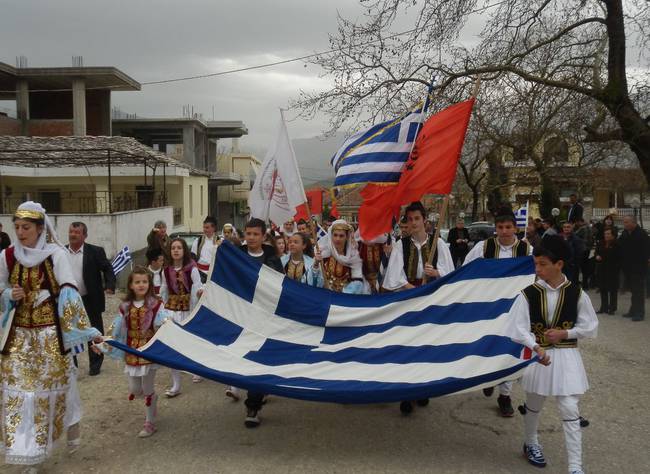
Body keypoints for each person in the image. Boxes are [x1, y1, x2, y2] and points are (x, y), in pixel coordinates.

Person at [0, 201, 102, 467]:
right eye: (17, 227)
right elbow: (0, 288)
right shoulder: (7, 256)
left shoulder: (55, 254)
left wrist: (84, 331)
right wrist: (9, 294)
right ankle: (26, 450)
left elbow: (69, 291)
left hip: (48, 336)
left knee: (53, 389)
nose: (20, 232)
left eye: (26, 227)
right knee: (20, 393)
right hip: (19, 336)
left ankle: (56, 435)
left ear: (40, 228)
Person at [505, 235, 598, 474]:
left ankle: (576, 467)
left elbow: (590, 326)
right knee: (534, 403)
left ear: (559, 264)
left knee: (569, 407)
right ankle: (531, 442)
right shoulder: (528, 293)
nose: (538, 269)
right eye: (536, 264)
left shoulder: (577, 293)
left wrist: (566, 333)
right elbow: (517, 327)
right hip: (540, 356)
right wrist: (535, 346)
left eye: (543, 264)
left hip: (567, 357)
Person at [381, 201, 454, 415]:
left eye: (417, 219)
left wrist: (436, 273)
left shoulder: (438, 244)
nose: (413, 223)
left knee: (427, 346)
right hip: (409, 300)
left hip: (432, 301)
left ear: (425, 220)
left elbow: (450, 273)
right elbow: (394, 276)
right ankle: (407, 391)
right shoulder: (400, 245)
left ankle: (424, 388)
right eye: (410, 219)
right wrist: (412, 289)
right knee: (407, 345)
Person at [463, 208, 532, 417]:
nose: (504, 231)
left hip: (515, 306)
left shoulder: (526, 250)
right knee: (488, 343)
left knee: (509, 347)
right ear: (495, 228)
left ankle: (505, 395)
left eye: (508, 227)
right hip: (488, 306)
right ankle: (488, 377)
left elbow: (536, 274)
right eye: (500, 227)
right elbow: (467, 270)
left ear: (516, 228)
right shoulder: (483, 247)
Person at [98, 267, 171, 438]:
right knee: (134, 388)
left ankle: (149, 422)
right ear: (130, 285)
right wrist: (103, 342)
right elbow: (116, 327)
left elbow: (163, 322)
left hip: (148, 351)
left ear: (149, 284)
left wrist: (167, 325)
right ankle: (152, 399)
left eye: (144, 281)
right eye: (137, 282)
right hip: (131, 350)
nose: (141, 285)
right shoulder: (124, 306)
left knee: (147, 387)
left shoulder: (156, 304)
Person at [237, 218, 283, 428]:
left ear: (264, 236)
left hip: (266, 317)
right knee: (248, 358)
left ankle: (256, 398)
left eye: (256, 234)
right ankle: (254, 399)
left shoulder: (272, 258)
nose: (252, 238)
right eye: (248, 234)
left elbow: (281, 285)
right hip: (243, 316)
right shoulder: (236, 256)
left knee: (263, 357)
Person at [67, 221, 116, 376]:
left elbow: (108, 268)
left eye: (77, 232)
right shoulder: (61, 252)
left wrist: (109, 285)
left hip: (90, 298)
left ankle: (95, 363)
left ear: (84, 236)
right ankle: (71, 365)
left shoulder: (95, 251)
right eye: (71, 231)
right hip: (68, 300)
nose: (72, 234)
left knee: (94, 330)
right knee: (68, 331)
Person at [160, 237, 203, 394]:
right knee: (173, 345)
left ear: (184, 250)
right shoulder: (166, 270)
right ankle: (176, 384)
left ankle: (196, 369)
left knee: (191, 341)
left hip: (188, 308)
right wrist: (163, 309)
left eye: (179, 247)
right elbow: (164, 289)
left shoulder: (192, 268)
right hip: (172, 309)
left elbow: (197, 289)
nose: (176, 250)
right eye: (173, 248)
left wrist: (195, 305)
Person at [314, 219, 365, 294]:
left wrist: (343, 292)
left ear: (347, 237)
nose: (338, 239)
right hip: (325, 295)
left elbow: (358, 282)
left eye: (341, 236)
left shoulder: (353, 256)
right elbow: (314, 280)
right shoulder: (324, 254)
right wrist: (315, 264)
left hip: (344, 299)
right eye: (335, 235)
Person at [618, 215, 650, 321]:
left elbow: (645, 252)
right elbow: (620, 246)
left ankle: (640, 313)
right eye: (624, 222)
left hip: (638, 268)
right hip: (628, 268)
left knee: (639, 292)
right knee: (633, 291)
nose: (625, 224)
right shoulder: (625, 233)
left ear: (634, 222)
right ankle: (633, 311)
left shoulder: (642, 234)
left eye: (627, 222)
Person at [594, 228, 620, 315]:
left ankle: (612, 308)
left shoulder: (617, 244)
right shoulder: (601, 243)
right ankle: (603, 307)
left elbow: (619, 257)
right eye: (605, 234)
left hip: (612, 269)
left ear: (613, 235)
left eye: (608, 234)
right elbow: (596, 252)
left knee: (613, 289)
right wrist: (597, 256)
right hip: (602, 269)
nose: (607, 235)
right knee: (603, 288)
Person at [191, 216, 220, 283]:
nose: (204, 229)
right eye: (204, 227)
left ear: (214, 228)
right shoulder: (198, 241)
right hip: (199, 273)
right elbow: (192, 258)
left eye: (207, 227)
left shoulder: (219, 242)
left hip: (213, 274)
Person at [574, 218, 594, 290]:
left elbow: (574, 235)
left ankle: (580, 284)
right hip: (589, 250)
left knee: (580, 267)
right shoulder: (591, 228)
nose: (576, 224)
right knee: (586, 268)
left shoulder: (582, 228)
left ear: (581, 222)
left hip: (582, 250)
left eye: (577, 222)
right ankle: (586, 285)